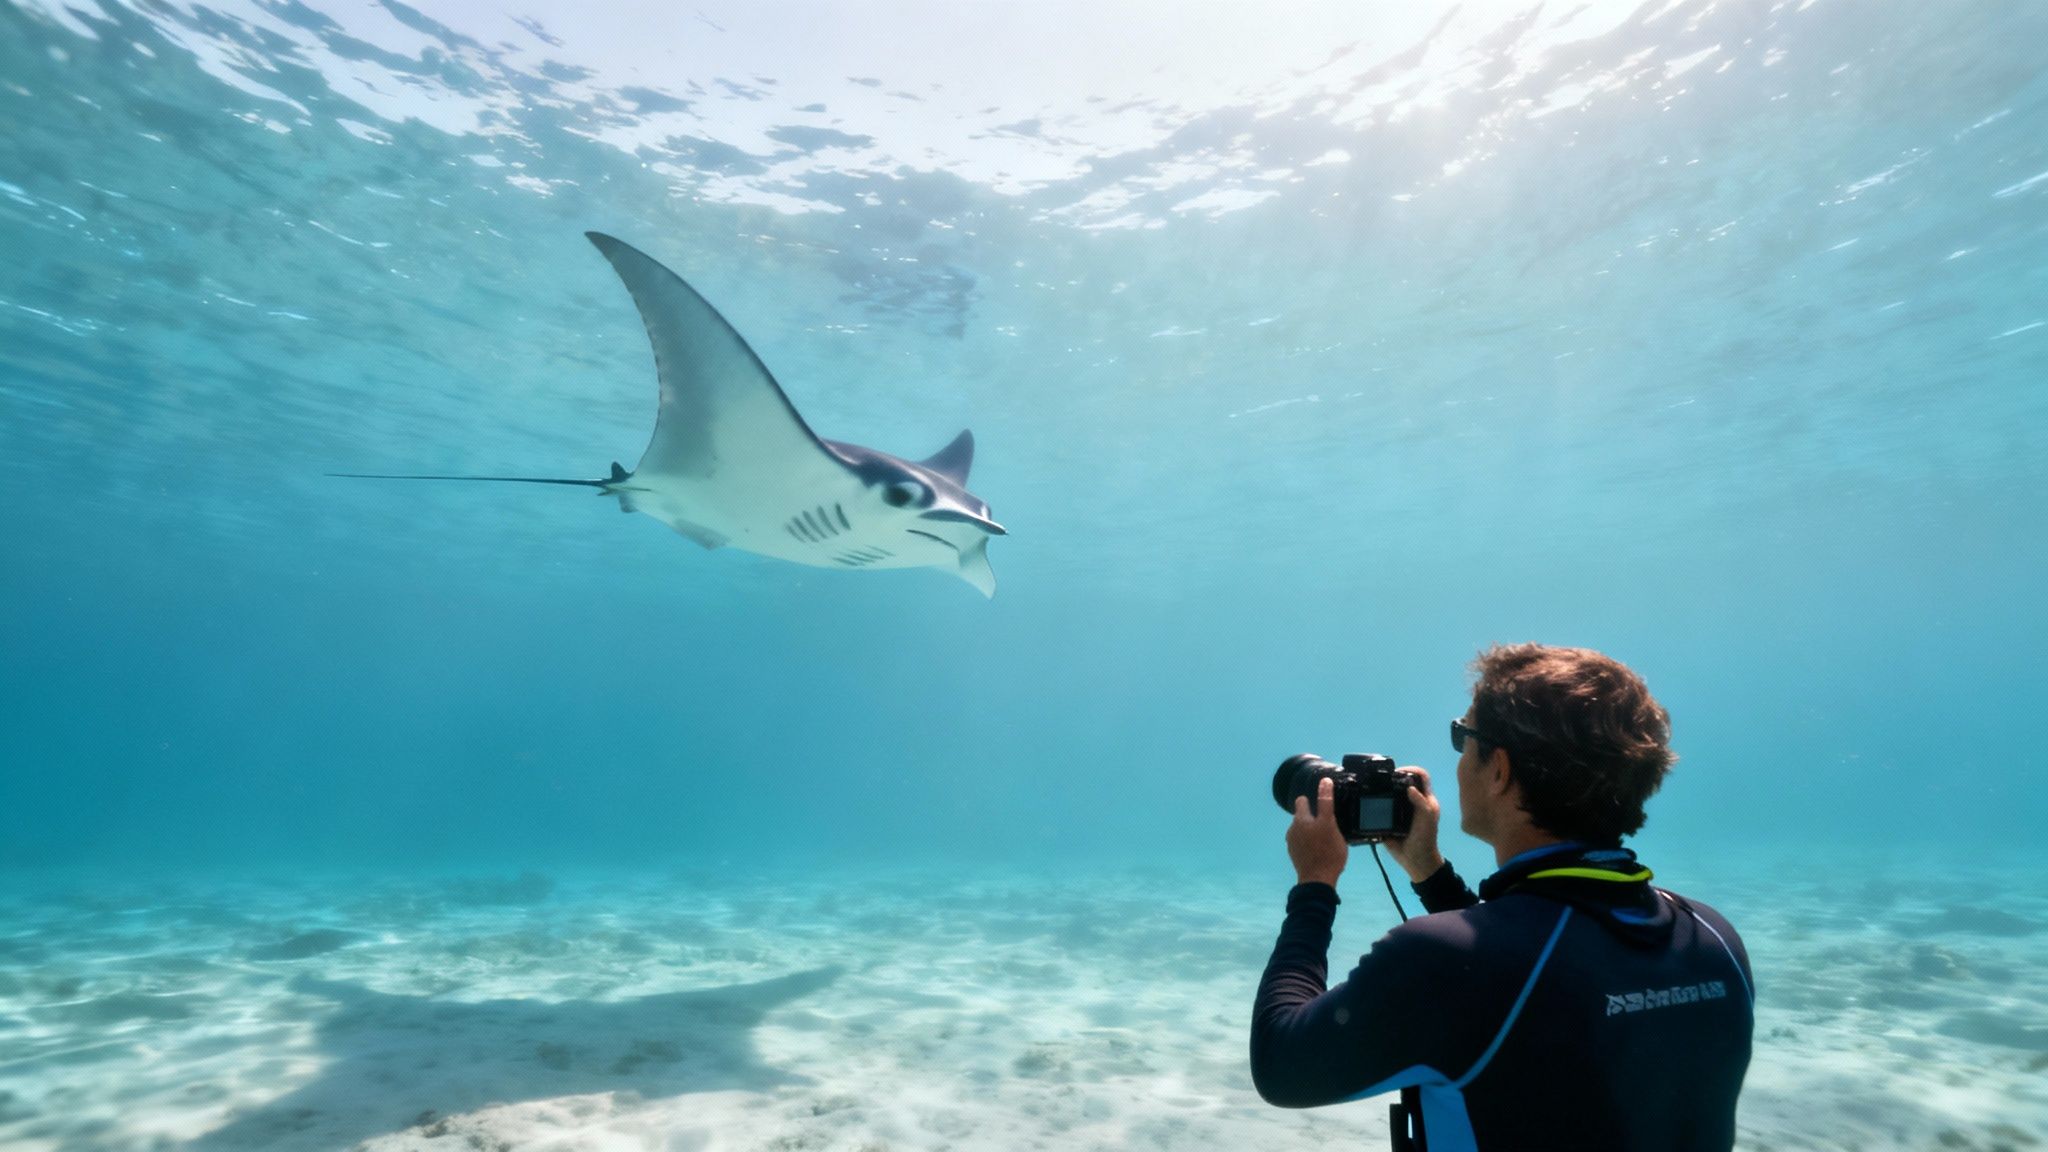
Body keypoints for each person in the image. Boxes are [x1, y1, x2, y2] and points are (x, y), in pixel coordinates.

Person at [1249, 643, 1754, 1152]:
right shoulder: (1714, 939)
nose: (1459, 757)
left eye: (1463, 737)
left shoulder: (1437, 959)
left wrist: (1315, 884)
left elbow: (1281, 1064)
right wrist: (1429, 872)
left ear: (1500, 770)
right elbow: (1534, 985)